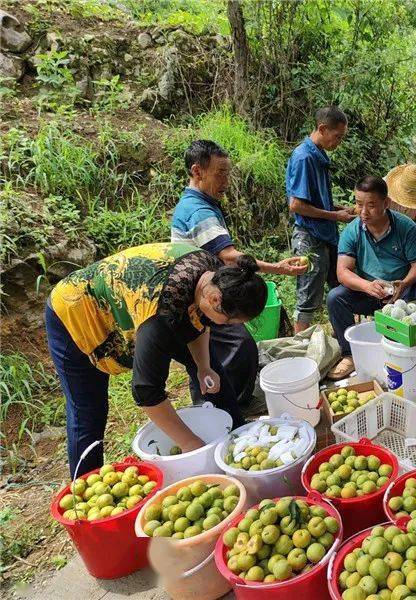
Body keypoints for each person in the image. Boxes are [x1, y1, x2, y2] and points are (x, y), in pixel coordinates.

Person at [46, 243, 266, 476]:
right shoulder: (160, 318)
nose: (230, 328)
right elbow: (146, 392)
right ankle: (84, 489)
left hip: (143, 297)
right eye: (230, 322)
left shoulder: (216, 277)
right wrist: (190, 443)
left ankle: (238, 438)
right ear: (213, 300)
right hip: (75, 312)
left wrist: (204, 367)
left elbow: (200, 323)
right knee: (88, 410)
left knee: (213, 371)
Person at [171, 140, 306, 411]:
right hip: (200, 296)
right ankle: (226, 406)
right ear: (197, 172)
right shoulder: (198, 211)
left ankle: (218, 403)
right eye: (220, 172)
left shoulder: (198, 204)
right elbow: (229, 256)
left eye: (228, 173)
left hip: (202, 292)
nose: (226, 180)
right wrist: (279, 268)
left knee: (214, 353)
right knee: (238, 345)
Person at [327, 176, 416, 379]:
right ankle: (349, 355)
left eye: (371, 205)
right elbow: (343, 271)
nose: (363, 212)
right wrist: (367, 286)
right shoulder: (352, 231)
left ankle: (409, 348)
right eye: (359, 204)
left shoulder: (405, 227)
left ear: (386, 203)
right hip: (369, 292)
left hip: (401, 292)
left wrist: (404, 283)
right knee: (335, 297)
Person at [286, 106, 355, 334]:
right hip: (309, 237)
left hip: (326, 235)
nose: (339, 142)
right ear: (322, 128)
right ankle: (299, 349)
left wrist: (341, 209)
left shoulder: (319, 155)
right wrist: (335, 216)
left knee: (340, 285)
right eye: (338, 137)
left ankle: (345, 337)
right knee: (308, 295)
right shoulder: (303, 157)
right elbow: (296, 205)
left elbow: (317, 201)